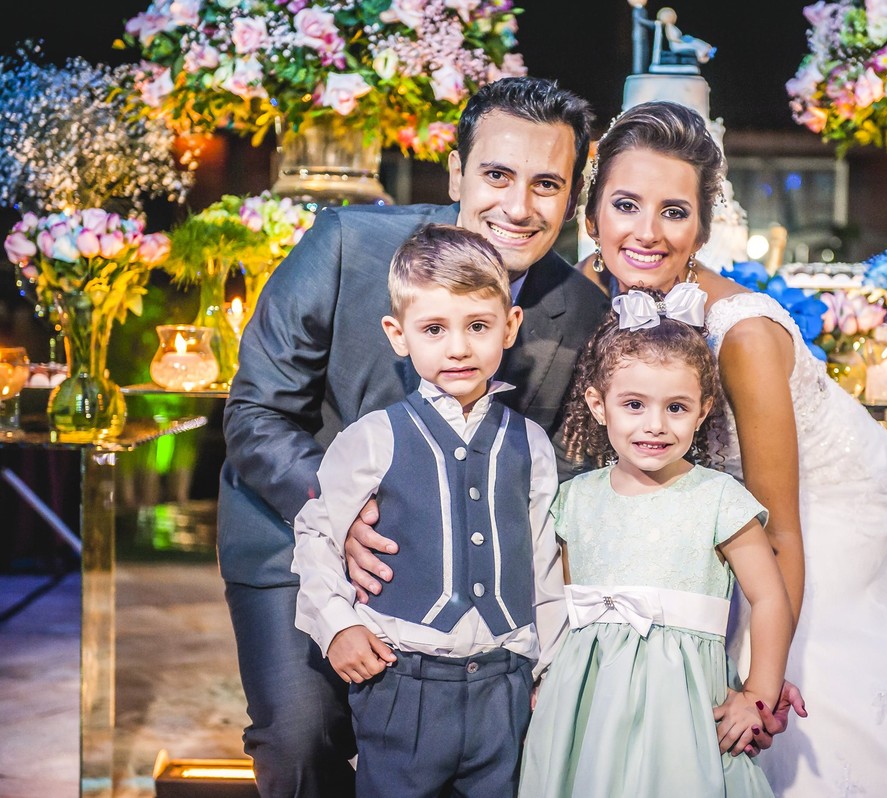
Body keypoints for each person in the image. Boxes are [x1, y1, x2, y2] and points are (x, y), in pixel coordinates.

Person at [580, 100, 887, 796]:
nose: (646, 233)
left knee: (817, 703)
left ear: (704, 227)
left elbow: (784, 525)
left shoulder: (743, 337)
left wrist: (761, 686)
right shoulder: (594, 287)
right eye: (626, 204)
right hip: (729, 503)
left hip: (821, 512)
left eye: (674, 212)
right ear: (592, 213)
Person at [219, 76, 608, 797]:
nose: (518, 207)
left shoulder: (579, 307)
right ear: (456, 170)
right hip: (296, 535)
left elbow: (561, 476)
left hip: (467, 587)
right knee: (302, 741)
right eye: (496, 174)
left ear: (572, 196)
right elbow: (256, 411)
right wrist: (342, 513)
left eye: (547, 184)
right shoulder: (346, 246)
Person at [290, 225, 565, 797]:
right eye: (434, 329)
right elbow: (317, 535)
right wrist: (338, 625)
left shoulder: (531, 443)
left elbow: (545, 563)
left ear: (509, 327)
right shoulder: (373, 438)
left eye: (478, 326)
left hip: (504, 685)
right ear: (398, 334)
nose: (459, 347)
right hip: (402, 684)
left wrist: (550, 668)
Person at [518, 285, 791, 797]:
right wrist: (546, 675)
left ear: (705, 408)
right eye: (635, 404)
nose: (655, 425)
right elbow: (565, 602)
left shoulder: (717, 497)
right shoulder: (574, 499)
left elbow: (769, 596)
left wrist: (759, 690)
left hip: (682, 696)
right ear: (599, 405)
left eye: (676, 408)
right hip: (589, 692)